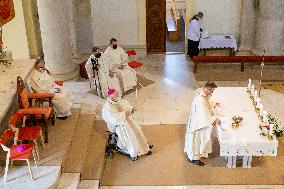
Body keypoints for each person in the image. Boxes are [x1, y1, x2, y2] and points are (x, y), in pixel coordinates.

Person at [102, 89, 153, 161]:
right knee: (131, 137)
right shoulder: (107, 107)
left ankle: (144, 147)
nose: (118, 95)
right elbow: (113, 119)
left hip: (127, 119)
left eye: (117, 93)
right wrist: (124, 114)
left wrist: (131, 108)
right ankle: (134, 153)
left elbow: (125, 105)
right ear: (111, 97)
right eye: (116, 94)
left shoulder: (117, 99)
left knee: (137, 131)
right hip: (120, 125)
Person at [184, 81, 221, 166]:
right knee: (198, 141)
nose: (211, 93)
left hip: (199, 121)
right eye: (211, 91)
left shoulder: (202, 94)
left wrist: (214, 103)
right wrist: (214, 119)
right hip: (199, 125)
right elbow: (204, 116)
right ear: (207, 88)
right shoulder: (200, 100)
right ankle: (194, 158)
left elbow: (207, 101)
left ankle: (202, 153)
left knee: (202, 140)